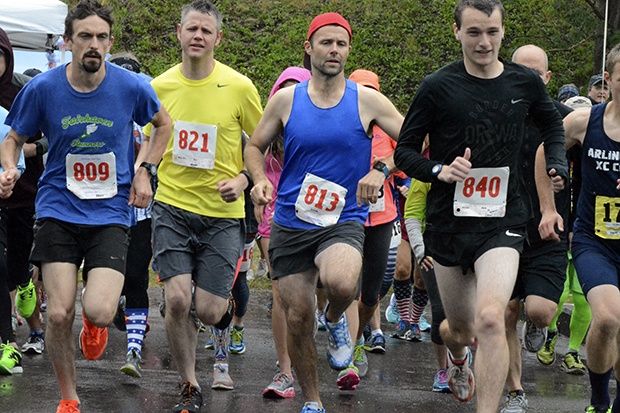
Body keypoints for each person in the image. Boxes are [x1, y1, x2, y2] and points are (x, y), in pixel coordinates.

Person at [393, 1, 567, 412]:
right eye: (473, 32)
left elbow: (552, 124)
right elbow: (403, 152)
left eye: (491, 32)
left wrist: (556, 161)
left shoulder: (524, 83)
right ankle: (456, 356)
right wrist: (439, 169)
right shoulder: (437, 86)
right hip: (448, 225)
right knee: (460, 329)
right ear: (456, 32)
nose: (483, 42)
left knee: (491, 318)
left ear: (503, 31)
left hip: (503, 220)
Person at [0, 1, 172, 412]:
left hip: (110, 211)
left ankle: (94, 325)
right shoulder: (42, 89)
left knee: (97, 309)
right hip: (58, 208)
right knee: (58, 314)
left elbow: (163, 125)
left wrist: (146, 169)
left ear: (110, 42)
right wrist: (9, 168)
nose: (93, 45)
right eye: (84, 37)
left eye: (101, 37)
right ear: (67, 42)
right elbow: (12, 138)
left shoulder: (130, 87)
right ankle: (69, 398)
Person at [245, 12, 404, 413]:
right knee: (297, 318)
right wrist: (258, 178)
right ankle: (313, 400)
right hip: (291, 222)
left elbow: (412, 139)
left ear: (348, 50)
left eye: (341, 44)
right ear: (309, 48)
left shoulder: (365, 99)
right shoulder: (286, 99)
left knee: (342, 281)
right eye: (326, 43)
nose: (334, 50)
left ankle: (334, 318)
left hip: (343, 219)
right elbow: (254, 145)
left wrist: (380, 168)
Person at [144, 1, 263, 411]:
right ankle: (190, 384)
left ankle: (207, 313)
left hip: (222, 215)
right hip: (172, 207)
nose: (197, 36)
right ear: (178, 32)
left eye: (205, 31)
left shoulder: (239, 87)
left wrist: (247, 180)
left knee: (210, 311)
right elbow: (149, 139)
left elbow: (261, 145)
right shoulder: (158, 87)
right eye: (191, 28)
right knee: (178, 300)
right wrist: (143, 171)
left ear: (217, 38)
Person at [499, 44, 571, 413]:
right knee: (506, 312)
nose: (528, 79)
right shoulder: (495, 115)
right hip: (502, 228)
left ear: (547, 79)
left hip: (550, 229)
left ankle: (538, 323)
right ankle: (515, 390)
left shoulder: (564, 118)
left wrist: (564, 181)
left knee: (540, 310)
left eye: (536, 74)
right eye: (520, 71)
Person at [549, 42, 620, 413]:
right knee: (608, 318)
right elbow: (547, 151)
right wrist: (551, 195)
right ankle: (597, 398)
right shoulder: (585, 120)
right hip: (596, 241)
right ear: (608, 81)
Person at [258, 66, 312, 400]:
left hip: (317, 212)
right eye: (285, 89)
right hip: (274, 214)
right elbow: (250, 161)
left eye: (297, 89)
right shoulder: (269, 126)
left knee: (312, 294)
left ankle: (327, 345)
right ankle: (284, 371)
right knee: (280, 292)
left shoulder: (318, 123)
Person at [106, 52, 155, 379]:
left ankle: (134, 349)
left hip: (141, 209)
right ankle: (98, 321)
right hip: (102, 206)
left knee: (136, 274)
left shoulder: (151, 114)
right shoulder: (98, 104)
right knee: (103, 273)